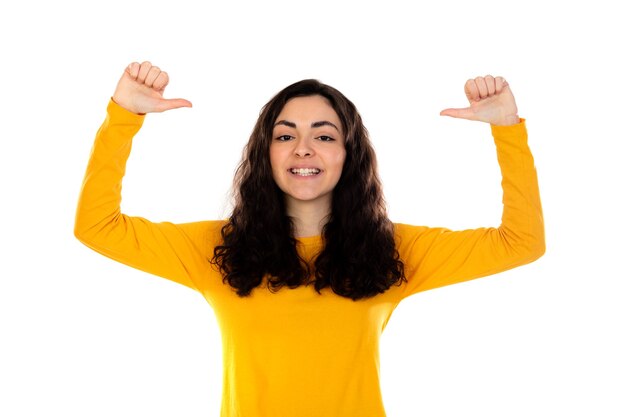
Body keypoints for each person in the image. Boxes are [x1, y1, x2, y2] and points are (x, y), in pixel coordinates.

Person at [74, 61, 545, 417]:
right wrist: (124, 118)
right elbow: (97, 226)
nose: (303, 148)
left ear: (347, 153)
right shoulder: (217, 250)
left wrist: (506, 129)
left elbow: (521, 241)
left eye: (324, 136)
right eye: (285, 136)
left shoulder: (392, 251)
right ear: (267, 153)